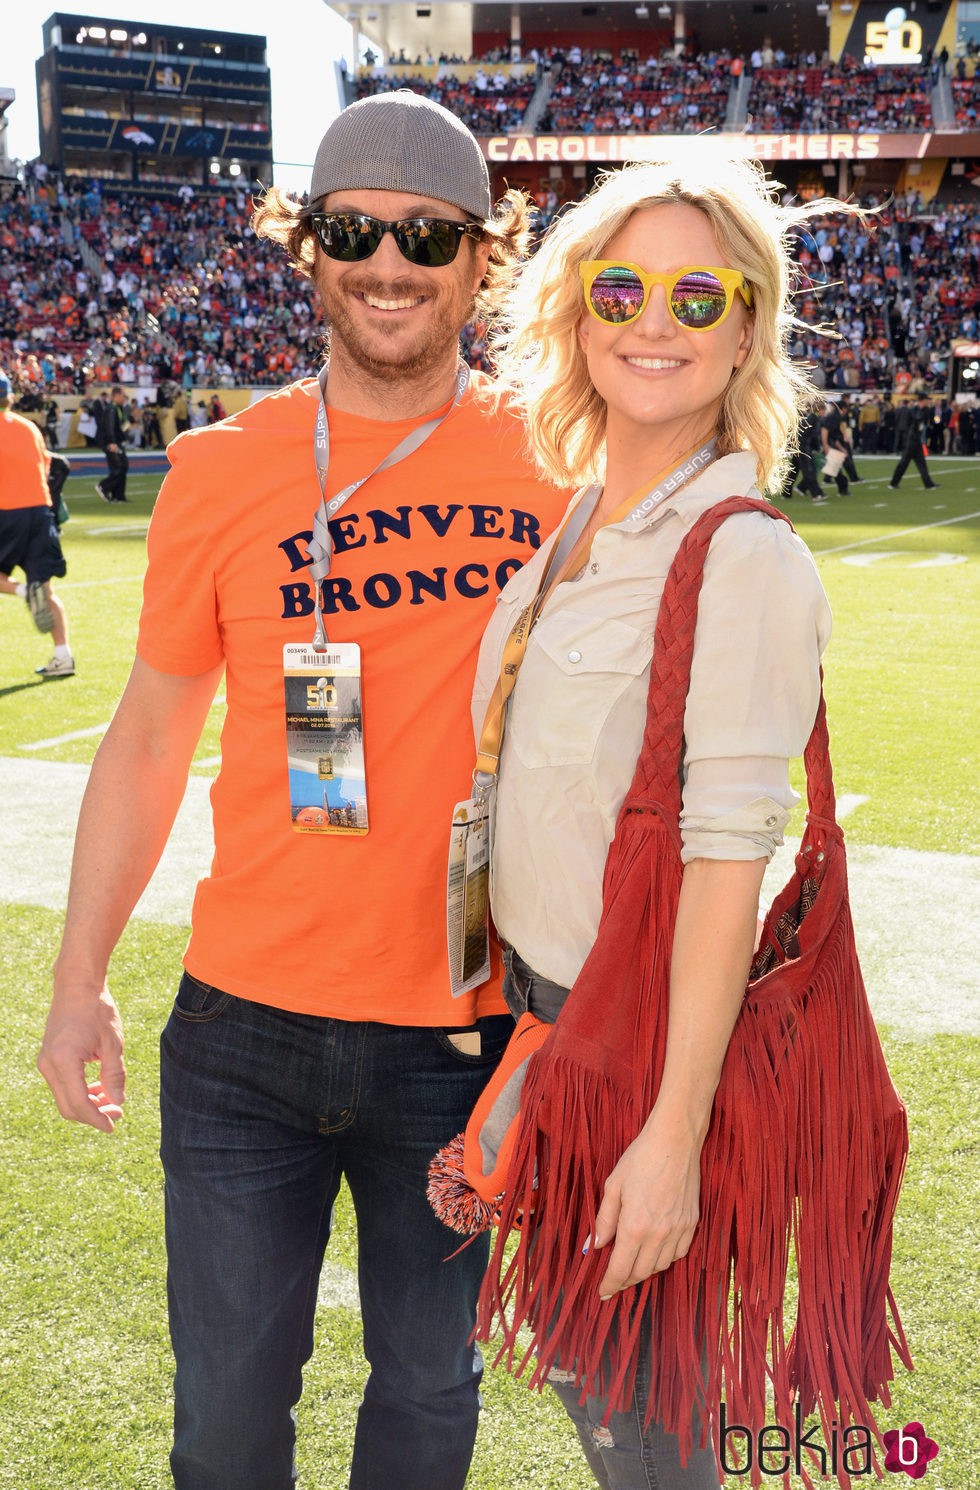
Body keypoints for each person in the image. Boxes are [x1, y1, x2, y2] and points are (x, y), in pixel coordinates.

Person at [36, 91, 567, 1490]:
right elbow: (152, 734)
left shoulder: (563, 462)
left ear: (480, 256)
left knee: (427, 1403)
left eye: (426, 236)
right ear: (308, 246)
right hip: (242, 1037)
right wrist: (77, 972)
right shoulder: (216, 471)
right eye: (353, 229)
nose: (388, 264)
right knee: (222, 1420)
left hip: (464, 1033)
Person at [470, 156, 834, 1487]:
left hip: (641, 1075)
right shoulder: (577, 521)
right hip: (550, 1037)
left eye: (699, 293)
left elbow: (728, 860)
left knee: (653, 1439)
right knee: (614, 1410)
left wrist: (671, 1137)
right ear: (575, 311)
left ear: (748, 328)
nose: (653, 321)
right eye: (620, 287)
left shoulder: (740, 548)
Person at [0, 372, 75, 678]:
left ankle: (23, 592)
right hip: (39, 512)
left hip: (6, 510)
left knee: (25, 586)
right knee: (46, 587)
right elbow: (47, 466)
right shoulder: (28, 426)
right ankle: (63, 656)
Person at [889, 396, 939, 489]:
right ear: (922, 401)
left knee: (921, 463)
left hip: (917, 440)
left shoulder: (926, 410)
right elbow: (916, 419)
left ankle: (928, 483)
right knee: (904, 463)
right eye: (926, 400)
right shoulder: (914, 410)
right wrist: (920, 410)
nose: (928, 402)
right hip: (910, 440)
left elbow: (927, 420)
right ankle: (893, 483)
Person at [94, 384, 130, 502]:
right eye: (123, 395)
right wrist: (111, 442)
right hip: (112, 442)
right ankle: (104, 486)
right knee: (118, 467)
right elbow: (109, 427)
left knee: (122, 466)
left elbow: (120, 427)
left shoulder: (117, 408)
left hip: (117, 441)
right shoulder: (111, 408)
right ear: (116, 395)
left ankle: (119, 496)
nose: (124, 398)